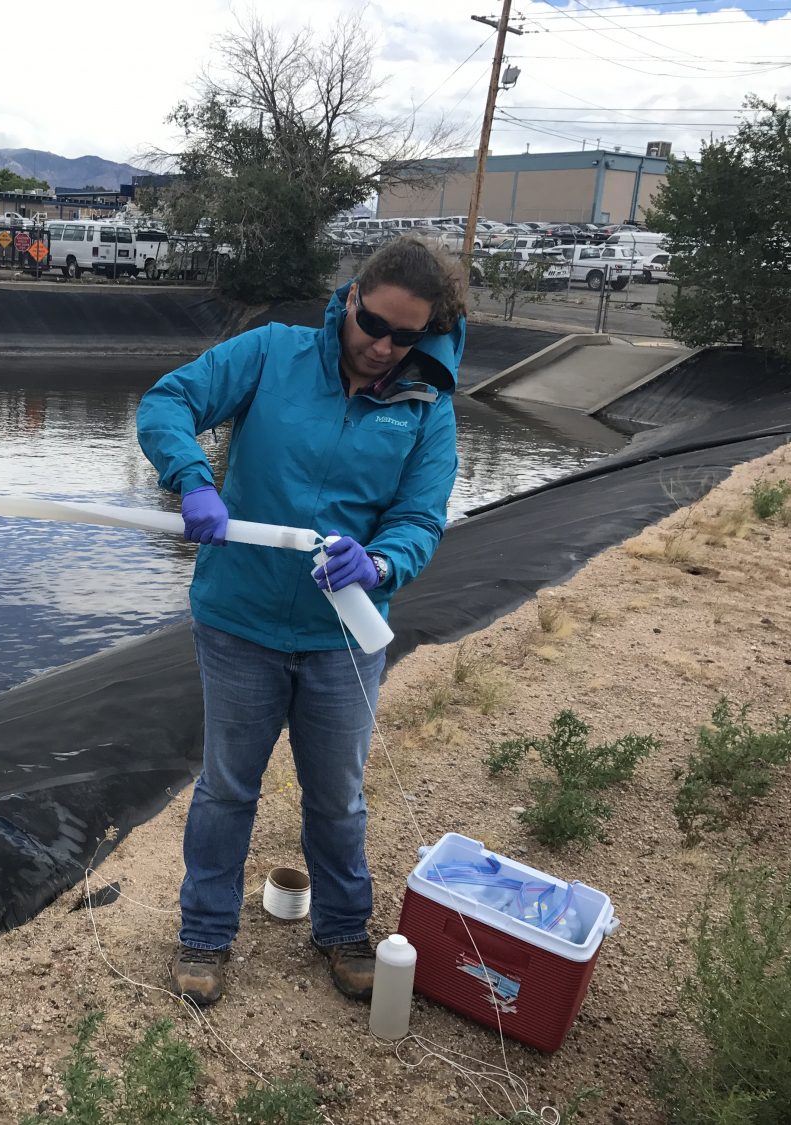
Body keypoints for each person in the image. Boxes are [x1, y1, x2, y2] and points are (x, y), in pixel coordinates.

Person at [136, 237, 467, 1007]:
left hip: (340, 639)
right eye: (374, 324)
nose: (383, 346)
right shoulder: (271, 354)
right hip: (238, 621)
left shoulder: (429, 407)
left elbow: (420, 517)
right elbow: (168, 400)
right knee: (226, 788)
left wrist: (379, 564)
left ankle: (346, 928)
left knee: (339, 796)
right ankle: (206, 934)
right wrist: (191, 479)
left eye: (405, 336)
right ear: (351, 297)